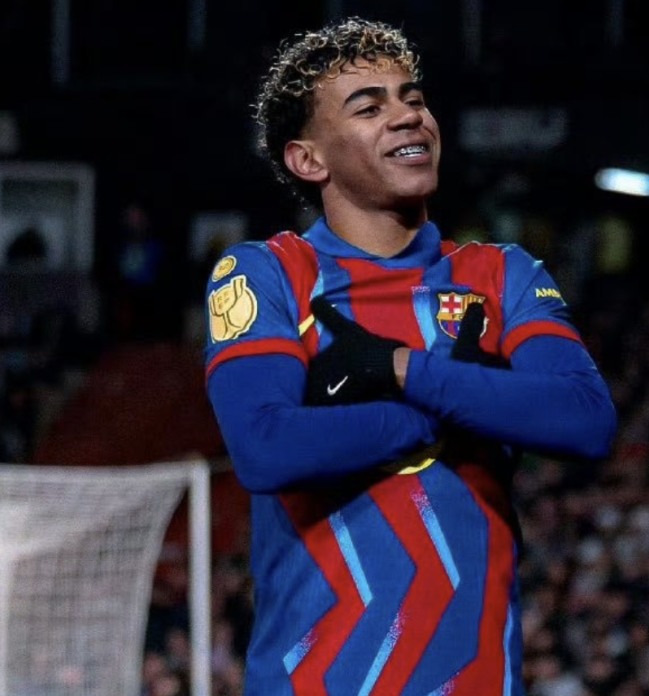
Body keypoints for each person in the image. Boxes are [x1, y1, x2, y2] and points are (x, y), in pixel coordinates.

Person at [204, 17, 617, 696]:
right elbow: (265, 448)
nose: (407, 117)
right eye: (369, 108)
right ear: (309, 160)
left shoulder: (502, 275)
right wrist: (444, 411)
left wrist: (402, 369)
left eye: (413, 99)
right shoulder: (269, 272)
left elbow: (585, 419)